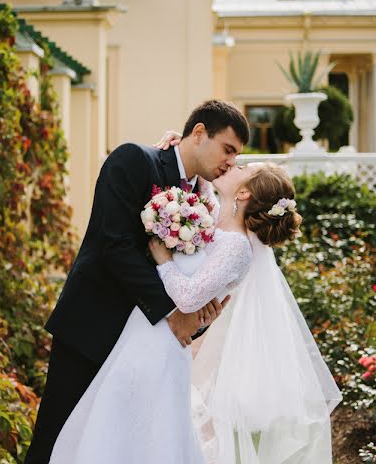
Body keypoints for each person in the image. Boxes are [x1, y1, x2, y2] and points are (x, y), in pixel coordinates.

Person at [50, 159, 342, 463]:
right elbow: (204, 190)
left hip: (161, 343)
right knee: (118, 423)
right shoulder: (216, 222)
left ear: (243, 194)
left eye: (242, 169)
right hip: (142, 333)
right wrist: (185, 150)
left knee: (137, 430)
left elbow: (188, 299)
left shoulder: (238, 247)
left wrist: (163, 260)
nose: (232, 165)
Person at [24, 100, 251, 464]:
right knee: (57, 439)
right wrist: (173, 314)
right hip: (94, 327)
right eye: (228, 149)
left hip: (144, 348)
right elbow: (115, 246)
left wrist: (199, 311)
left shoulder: (202, 199)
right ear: (198, 133)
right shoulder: (134, 160)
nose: (230, 161)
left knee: (111, 447)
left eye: (237, 155)